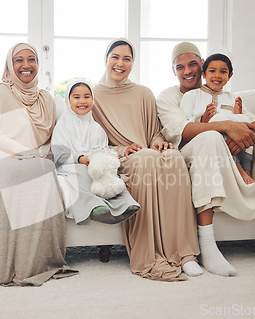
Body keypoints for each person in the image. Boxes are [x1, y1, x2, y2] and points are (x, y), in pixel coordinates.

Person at [156, 41, 255, 276]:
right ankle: (207, 246)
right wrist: (225, 126)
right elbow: (181, 129)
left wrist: (245, 136)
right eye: (180, 67)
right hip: (190, 152)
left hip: (231, 151)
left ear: (202, 65)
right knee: (210, 138)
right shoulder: (171, 96)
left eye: (193, 64)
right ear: (173, 70)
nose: (187, 71)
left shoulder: (229, 96)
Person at [0, 43, 77, 286]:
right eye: (19, 60)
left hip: (32, 156)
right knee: (23, 173)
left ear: (38, 64)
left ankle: (36, 263)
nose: (26, 65)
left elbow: (51, 139)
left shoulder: (46, 99)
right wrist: (26, 153)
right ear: (9, 65)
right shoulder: (1, 93)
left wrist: (42, 154)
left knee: (42, 170)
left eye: (31, 59)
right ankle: (4, 266)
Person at [92, 38, 201, 281]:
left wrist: (158, 142)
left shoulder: (143, 93)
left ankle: (186, 254)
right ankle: (151, 254)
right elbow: (94, 141)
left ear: (133, 63)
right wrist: (123, 150)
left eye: (127, 59)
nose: (120, 63)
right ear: (106, 60)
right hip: (123, 158)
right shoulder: (93, 96)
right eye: (115, 57)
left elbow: (153, 132)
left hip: (148, 152)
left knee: (173, 157)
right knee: (146, 160)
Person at [51, 79, 140, 225]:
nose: (82, 101)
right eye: (76, 97)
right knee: (81, 175)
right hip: (71, 168)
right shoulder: (62, 126)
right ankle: (93, 206)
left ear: (93, 99)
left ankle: (125, 204)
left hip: (95, 167)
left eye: (87, 96)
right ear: (68, 100)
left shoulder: (97, 128)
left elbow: (103, 150)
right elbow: (58, 154)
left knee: (112, 179)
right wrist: (79, 159)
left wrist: (102, 161)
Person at [180, 53, 255, 184]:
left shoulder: (233, 98)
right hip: (206, 143)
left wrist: (238, 115)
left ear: (230, 76)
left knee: (245, 121)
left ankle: (247, 169)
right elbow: (184, 124)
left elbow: (251, 124)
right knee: (218, 120)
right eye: (212, 71)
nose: (217, 75)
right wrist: (203, 119)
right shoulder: (191, 96)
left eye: (223, 72)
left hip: (236, 142)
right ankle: (239, 169)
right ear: (204, 74)